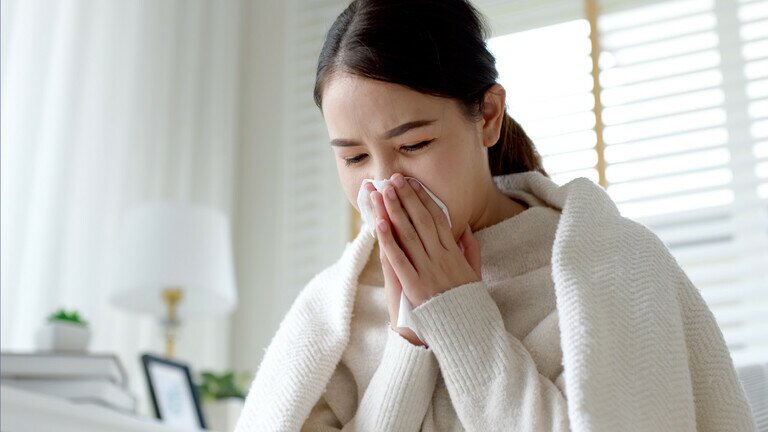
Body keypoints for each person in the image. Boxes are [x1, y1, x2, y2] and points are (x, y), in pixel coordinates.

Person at [234, 1, 757, 431]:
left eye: (413, 144)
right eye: (352, 158)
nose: (383, 184)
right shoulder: (337, 313)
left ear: (487, 116)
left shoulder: (614, 268)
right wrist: (410, 339)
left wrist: (459, 316)